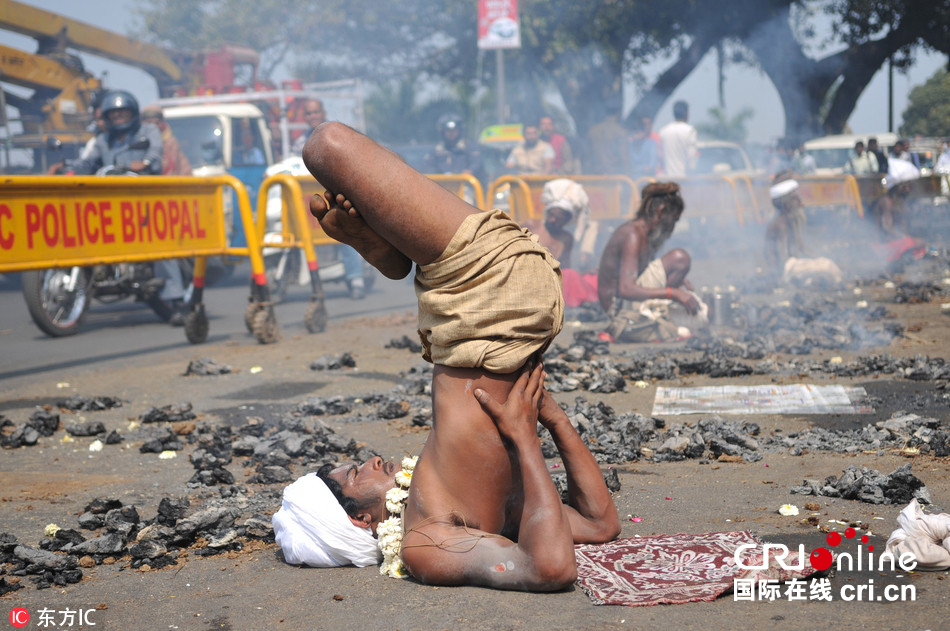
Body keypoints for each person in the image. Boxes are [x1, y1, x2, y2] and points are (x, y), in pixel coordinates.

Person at [272, 121, 620, 590]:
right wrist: (537, 429)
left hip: (469, 310)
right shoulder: (427, 544)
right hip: (492, 300)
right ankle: (389, 251)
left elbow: (593, 531)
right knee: (325, 145)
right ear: (359, 521)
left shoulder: (455, 505)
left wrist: (537, 426)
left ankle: (390, 252)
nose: (374, 460)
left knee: (330, 150)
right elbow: (572, 549)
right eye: (357, 473)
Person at [597, 182, 708, 343]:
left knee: (699, 312)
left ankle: (659, 314)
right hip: (619, 306)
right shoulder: (633, 235)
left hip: (628, 298)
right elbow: (626, 288)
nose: (672, 226)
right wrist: (674, 293)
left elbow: (641, 269)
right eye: (674, 220)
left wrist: (678, 284)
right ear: (661, 212)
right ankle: (656, 317)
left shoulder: (645, 233)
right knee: (680, 258)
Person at [141, 104, 194, 325]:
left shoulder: (169, 144)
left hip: (169, 202)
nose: (153, 125)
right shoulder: (137, 141)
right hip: (142, 202)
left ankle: (177, 297)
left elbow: (178, 173)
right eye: (148, 121)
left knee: (166, 249)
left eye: (156, 121)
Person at [72, 90, 162, 176]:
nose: (117, 115)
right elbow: (88, 162)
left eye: (121, 110)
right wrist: (68, 166)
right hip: (112, 188)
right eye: (112, 112)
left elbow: (156, 151)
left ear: (132, 111)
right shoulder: (103, 139)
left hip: (146, 188)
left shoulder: (148, 130)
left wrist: (145, 162)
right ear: (106, 116)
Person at [524, 178, 597, 271]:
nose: (553, 220)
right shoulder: (532, 225)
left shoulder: (566, 239)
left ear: (566, 220)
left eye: (558, 218)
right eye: (551, 215)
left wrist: (585, 273)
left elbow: (565, 270)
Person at [763, 171, 808, 274]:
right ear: (785, 203)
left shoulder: (792, 221)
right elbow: (782, 257)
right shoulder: (781, 224)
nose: (801, 203)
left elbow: (800, 247)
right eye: (794, 199)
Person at [422, 113, 482, 178]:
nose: (451, 133)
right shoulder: (436, 151)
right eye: (448, 130)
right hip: (439, 186)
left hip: (465, 186)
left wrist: (470, 171)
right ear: (443, 132)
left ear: (459, 130)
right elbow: (425, 167)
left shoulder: (469, 148)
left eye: (454, 130)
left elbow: (477, 164)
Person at [141, 105, 192, 176]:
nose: (153, 127)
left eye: (157, 123)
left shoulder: (171, 143)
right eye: (149, 123)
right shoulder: (135, 142)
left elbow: (181, 169)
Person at [586, 103, 631, 175]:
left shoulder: (592, 131)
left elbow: (587, 155)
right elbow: (624, 156)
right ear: (617, 114)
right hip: (613, 174)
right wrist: (628, 173)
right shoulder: (620, 132)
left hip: (594, 173)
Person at [658, 101, 697, 178]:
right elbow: (691, 157)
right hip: (684, 178)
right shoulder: (690, 131)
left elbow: (661, 157)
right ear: (686, 113)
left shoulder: (663, 131)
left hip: (667, 178)